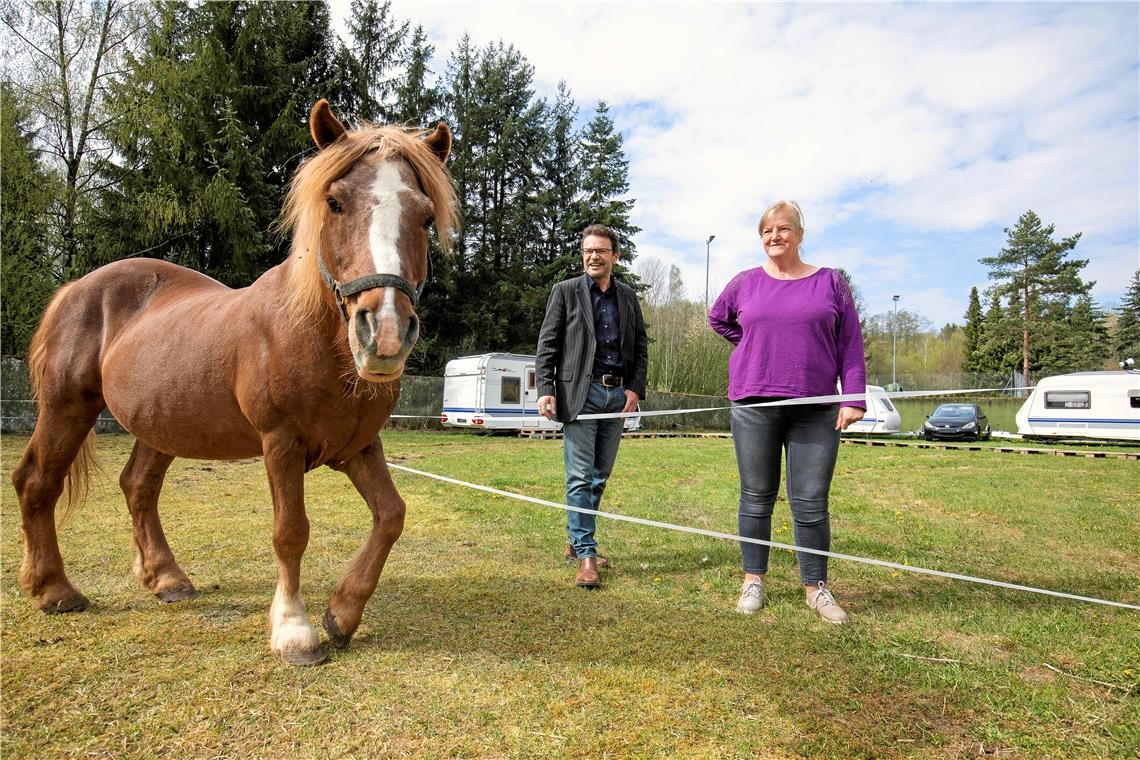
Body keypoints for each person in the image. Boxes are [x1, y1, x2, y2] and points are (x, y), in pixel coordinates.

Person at [708, 200, 866, 623]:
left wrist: (853, 396)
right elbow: (718, 318)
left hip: (815, 407)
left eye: (783, 229)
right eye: (766, 231)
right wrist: (752, 344)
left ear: (799, 233)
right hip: (754, 403)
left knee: (811, 501)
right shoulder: (745, 282)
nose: (774, 237)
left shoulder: (831, 282)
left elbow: (850, 342)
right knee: (756, 497)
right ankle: (753, 579)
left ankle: (816, 588)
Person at [536, 224, 649, 589]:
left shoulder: (628, 297)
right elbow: (548, 343)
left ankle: (575, 540)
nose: (593, 256)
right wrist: (545, 388)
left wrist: (634, 389)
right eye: (588, 251)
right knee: (580, 476)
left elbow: (641, 346)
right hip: (580, 396)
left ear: (615, 256)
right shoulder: (565, 292)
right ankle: (586, 554)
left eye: (601, 250)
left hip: (616, 398)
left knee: (600, 476)